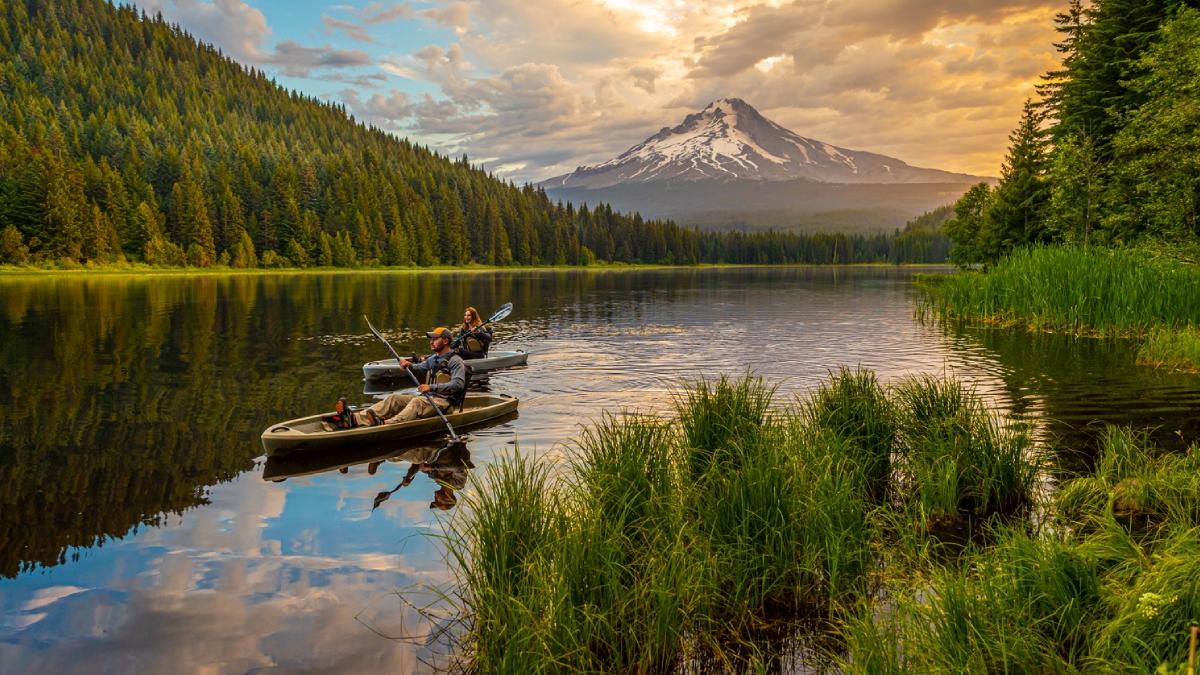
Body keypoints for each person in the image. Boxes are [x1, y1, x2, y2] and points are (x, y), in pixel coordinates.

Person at [334, 327, 467, 428]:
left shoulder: (455, 361)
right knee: (394, 399)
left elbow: (458, 384)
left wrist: (431, 387)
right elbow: (419, 368)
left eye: (435, 339)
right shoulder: (433, 359)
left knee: (416, 402)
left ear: (445, 341)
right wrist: (408, 364)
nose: (431, 342)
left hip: (445, 404)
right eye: (431, 339)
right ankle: (355, 419)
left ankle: (385, 423)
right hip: (429, 399)